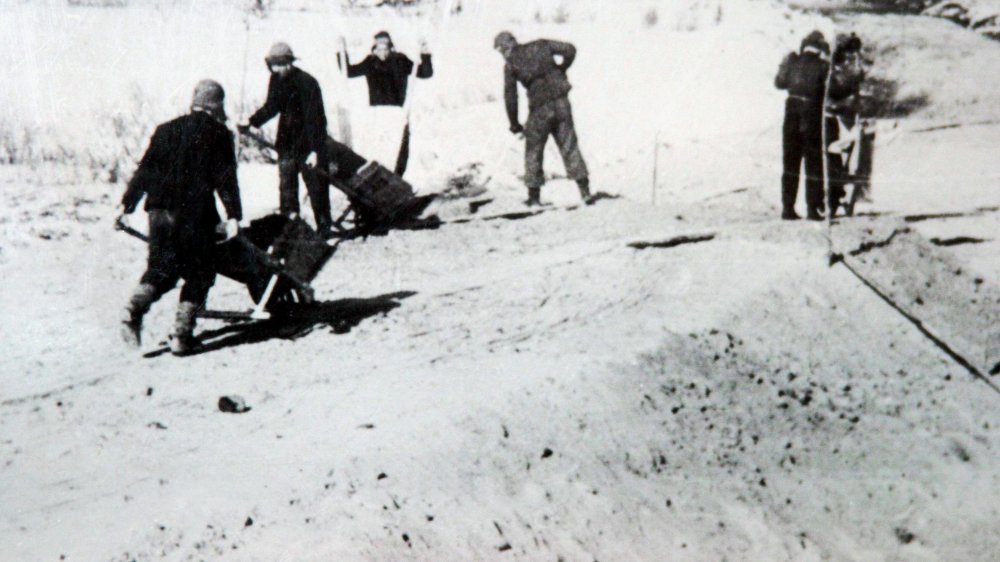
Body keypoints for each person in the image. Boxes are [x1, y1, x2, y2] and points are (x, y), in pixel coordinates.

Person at [118, 80, 243, 356]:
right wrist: (234, 215)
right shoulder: (220, 134)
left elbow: (145, 171)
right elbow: (226, 179)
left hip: (158, 211)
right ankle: (182, 335)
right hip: (193, 213)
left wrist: (126, 206)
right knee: (201, 271)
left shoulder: (165, 130)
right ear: (217, 105)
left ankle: (132, 311)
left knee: (162, 269)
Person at [239, 42, 333, 234]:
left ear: (290, 62)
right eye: (274, 65)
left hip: (308, 144)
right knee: (287, 190)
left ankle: (324, 229)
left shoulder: (308, 82)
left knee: (317, 189)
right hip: (286, 144)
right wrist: (251, 122)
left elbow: (316, 118)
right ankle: (292, 231)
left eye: (281, 64)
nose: (277, 69)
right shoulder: (276, 79)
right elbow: (271, 107)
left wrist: (316, 150)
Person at [493, 31, 593, 207]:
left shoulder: (510, 64)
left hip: (540, 109)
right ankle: (585, 193)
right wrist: (562, 68)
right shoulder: (541, 45)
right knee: (570, 146)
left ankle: (534, 198)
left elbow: (511, 96)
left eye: (501, 51)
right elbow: (570, 49)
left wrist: (514, 124)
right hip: (562, 103)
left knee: (534, 149)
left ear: (505, 48)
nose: (502, 55)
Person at [345, 31, 433, 176]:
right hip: (378, 112)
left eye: (385, 48)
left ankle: (397, 177)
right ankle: (376, 180)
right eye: (378, 48)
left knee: (399, 147)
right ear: (374, 48)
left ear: (391, 47)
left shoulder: (400, 60)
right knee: (378, 147)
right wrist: (341, 52)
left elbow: (425, 73)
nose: (382, 52)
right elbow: (348, 72)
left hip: (398, 111)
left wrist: (425, 52)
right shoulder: (370, 62)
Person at [774, 30, 830, 221]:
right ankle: (813, 209)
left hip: (791, 113)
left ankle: (787, 208)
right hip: (811, 114)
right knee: (813, 162)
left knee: (790, 162)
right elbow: (835, 90)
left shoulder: (792, 61)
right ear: (821, 48)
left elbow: (779, 83)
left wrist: (784, 64)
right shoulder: (823, 66)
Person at [826, 33, 866, 217]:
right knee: (837, 157)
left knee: (846, 157)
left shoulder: (849, 65)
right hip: (837, 115)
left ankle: (841, 198)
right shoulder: (835, 69)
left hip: (846, 115)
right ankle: (835, 197)